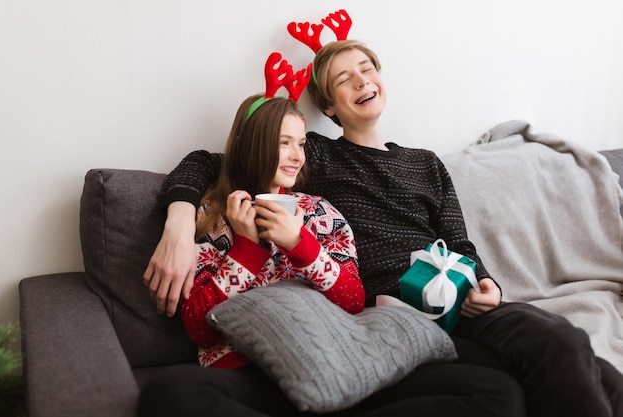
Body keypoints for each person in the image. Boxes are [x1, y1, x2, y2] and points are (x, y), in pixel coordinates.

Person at [145, 39, 623, 417]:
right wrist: (179, 220)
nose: (361, 81)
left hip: (460, 303)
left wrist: (486, 284)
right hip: (394, 315)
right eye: (343, 79)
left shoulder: (424, 164)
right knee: (520, 382)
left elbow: (459, 241)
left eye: (367, 69)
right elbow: (226, 158)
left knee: (581, 357)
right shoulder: (319, 156)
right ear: (328, 108)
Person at [139, 92, 526, 417]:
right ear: (252, 144)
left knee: (498, 391)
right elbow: (198, 329)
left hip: (335, 362)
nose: (296, 156)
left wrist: (300, 244)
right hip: (250, 375)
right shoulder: (209, 217)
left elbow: (353, 300)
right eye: (283, 142)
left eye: (302, 143)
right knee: (169, 390)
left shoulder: (322, 213)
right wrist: (245, 248)